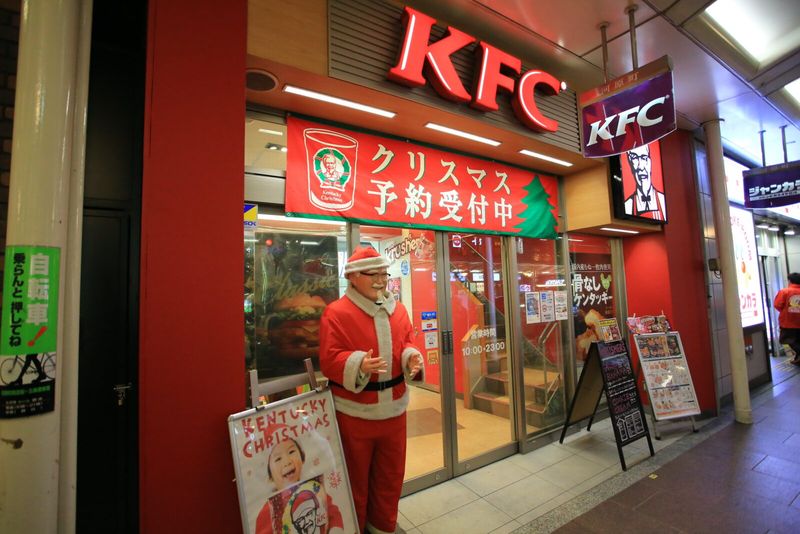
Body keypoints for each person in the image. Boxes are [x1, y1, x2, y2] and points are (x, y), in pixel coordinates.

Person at [319, 246, 423, 534]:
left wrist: (411, 357)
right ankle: (354, 527)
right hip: (354, 414)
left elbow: (408, 342)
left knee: (390, 477)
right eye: (373, 274)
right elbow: (328, 358)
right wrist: (358, 363)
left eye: (384, 274)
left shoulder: (399, 310)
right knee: (355, 480)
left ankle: (383, 526)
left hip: (395, 411)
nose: (381, 280)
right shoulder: (335, 313)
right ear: (352, 277)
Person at [255, 434, 344, 534]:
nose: (287, 462)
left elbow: (332, 511)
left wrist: (335, 529)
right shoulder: (267, 512)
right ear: (270, 475)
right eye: (278, 459)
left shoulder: (314, 490)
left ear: (302, 458)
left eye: (291, 451)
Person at [623, 144, 666, 221]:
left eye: (644, 158)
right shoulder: (627, 206)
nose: (640, 167)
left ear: (650, 161)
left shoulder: (663, 202)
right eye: (634, 158)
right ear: (630, 164)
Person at [774, 273, 800, 365]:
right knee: (798, 340)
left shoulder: (784, 292)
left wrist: (787, 311)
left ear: (790, 281)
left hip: (788, 322)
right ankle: (798, 359)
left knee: (787, 339)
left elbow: (777, 305)